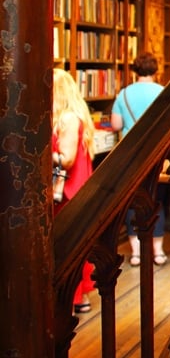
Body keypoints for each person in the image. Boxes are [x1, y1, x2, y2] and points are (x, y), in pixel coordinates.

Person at [111, 51, 168, 266]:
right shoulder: (163, 92)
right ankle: (158, 251)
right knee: (155, 200)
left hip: (130, 157)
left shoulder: (124, 94)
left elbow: (116, 125)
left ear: (135, 70)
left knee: (133, 202)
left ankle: (136, 253)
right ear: (155, 70)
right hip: (156, 155)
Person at [52, 68, 97, 315]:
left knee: (65, 246)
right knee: (74, 244)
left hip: (67, 192)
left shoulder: (68, 119)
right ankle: (79, 298)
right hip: (77, 188)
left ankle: (74, 298)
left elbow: (66, 159)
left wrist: (41, 152)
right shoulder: (77, 116)